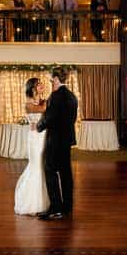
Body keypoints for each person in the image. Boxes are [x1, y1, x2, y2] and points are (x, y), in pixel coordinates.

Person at [35, 67, 78, 220]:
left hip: (55, 140)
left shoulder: (56, 96)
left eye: (52, 79)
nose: (50, 82)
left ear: (57, 79)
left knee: (50, 170)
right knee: (66, 173)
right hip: (66, 141)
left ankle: (55, 208)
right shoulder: (72, 96)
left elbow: (50, 117)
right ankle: (67, 207)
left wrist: (38, 126)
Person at [14, 77, 49, 216]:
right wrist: (46, 101)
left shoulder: (43, 100)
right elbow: (43, 108)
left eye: (41, 83)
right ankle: (31, 203)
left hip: (44, 136)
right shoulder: (28, 104)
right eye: (38, 84)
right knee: (36, 166)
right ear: (32, 88)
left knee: (43, 166)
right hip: (34, 138)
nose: (41, 85)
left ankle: (44, 201)